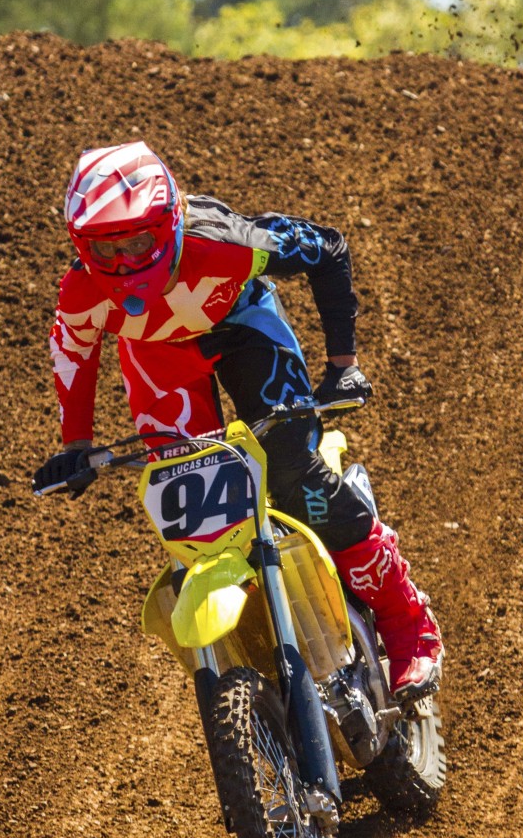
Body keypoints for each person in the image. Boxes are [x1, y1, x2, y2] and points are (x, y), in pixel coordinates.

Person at [33, 141, 443, 698]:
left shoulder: (228, 241)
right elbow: (74, 355)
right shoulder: (80, 292)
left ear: (169, 224)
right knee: (190, 499)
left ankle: (407, 622)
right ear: (81, 245)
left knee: (291, 470)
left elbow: (328, 249)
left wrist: (343, 366)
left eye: (138, 243)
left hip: (244, 328)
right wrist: (76, 447)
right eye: (107, 249)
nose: (125, 262)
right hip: (158, 357)